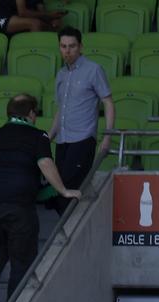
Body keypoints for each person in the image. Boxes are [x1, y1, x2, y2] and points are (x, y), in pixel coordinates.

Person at [0, 94, 80, 302]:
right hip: (19, 203)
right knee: (22, 257)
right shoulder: (37, 136)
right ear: (31, 114)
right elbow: (45, 163)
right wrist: (64, 190)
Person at [49, 27, 115, 212]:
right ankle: (66, 233)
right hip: (63, 140)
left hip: (83, 139)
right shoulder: (61, 74)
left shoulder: (93, 70)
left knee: (69, 188)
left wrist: (107, 136)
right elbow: (60, 109)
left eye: (72, 46)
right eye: (63, 46)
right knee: (60, 189)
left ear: (80, 47)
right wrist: (49, 136)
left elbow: (108, 102)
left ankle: (68, 235)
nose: (67, 51)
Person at [0, 0, 65, 34]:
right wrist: (49, 15)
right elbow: (23, 12)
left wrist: (52, 22)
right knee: (34, 23)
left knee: (50, 25)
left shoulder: (39, 1)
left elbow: (42, 15)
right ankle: (33, 57)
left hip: (12, 16)